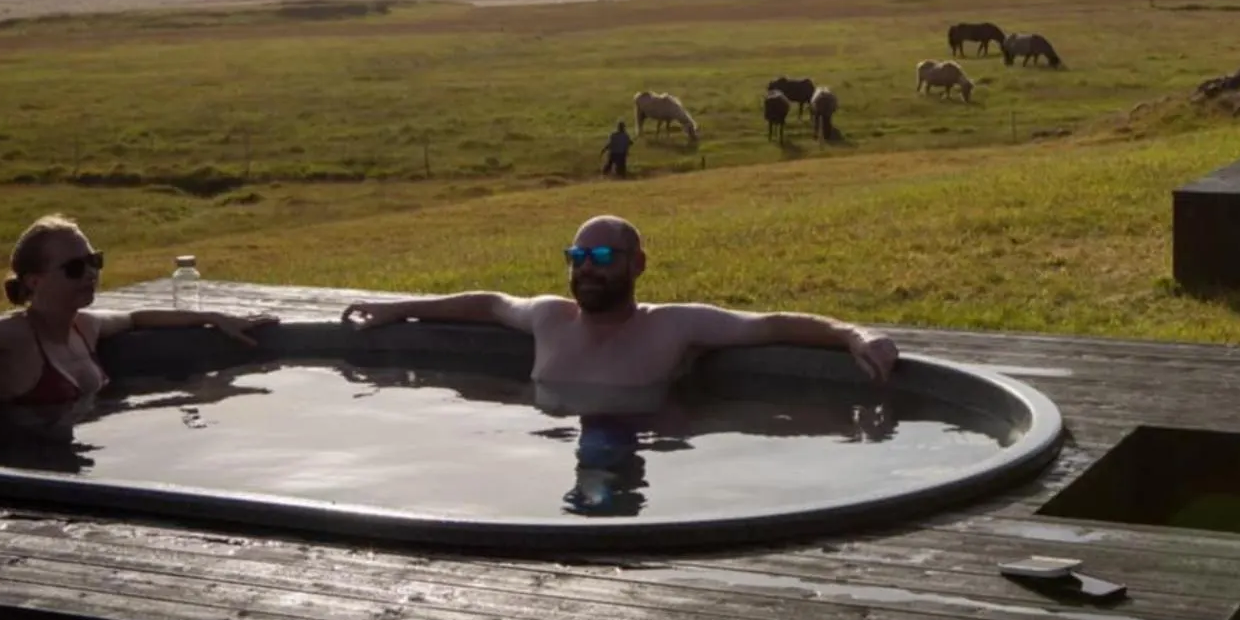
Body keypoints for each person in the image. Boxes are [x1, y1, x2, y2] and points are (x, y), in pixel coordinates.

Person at [338, 214, 901, 387]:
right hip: (558, 444)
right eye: (577, 257)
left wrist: (853, 333)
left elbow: (771, 324)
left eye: (603, 259)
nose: (586, 269)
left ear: (637, 265)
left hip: (647, 443)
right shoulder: (550, 317)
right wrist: (399, 309)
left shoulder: (675, 327)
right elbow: (486, 304)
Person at [0, 215, 280, 406]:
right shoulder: (12, 338)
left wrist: (213, 317)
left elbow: (135, 319)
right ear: (34, 281)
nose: (91, 274)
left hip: (76, 462)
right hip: (19, 477)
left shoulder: (83, 327)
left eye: (94, 260)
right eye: (75, 268)